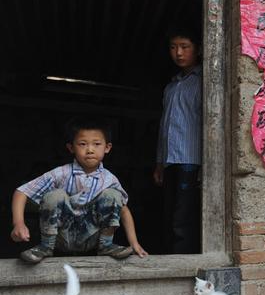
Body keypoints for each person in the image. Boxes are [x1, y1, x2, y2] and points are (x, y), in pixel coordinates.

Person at [10, 118, 148, 263]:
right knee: (54, 195)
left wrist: (134, 243)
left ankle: (106, 246)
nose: (90, 150)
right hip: (61, 237)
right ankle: (45, 247)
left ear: (107, 148)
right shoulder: (61, 173)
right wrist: (18, 223)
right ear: (71, 148)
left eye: (97, 144)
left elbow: (124, 210)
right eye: (83, 144)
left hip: (92, 238)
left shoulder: (109, 179)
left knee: (113, 195)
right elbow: (22, 192)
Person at [153, 28, 202, 254]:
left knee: (184, 216)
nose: (178, 53)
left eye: (185, 47)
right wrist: (159, 162)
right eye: (173, 47)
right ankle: (170, 255)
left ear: (198, 49)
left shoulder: (203, 82)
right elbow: (165, 127)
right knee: (169, 213)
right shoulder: (171, 87)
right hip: (170, 160)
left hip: (191, 159)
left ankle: (183, 258)